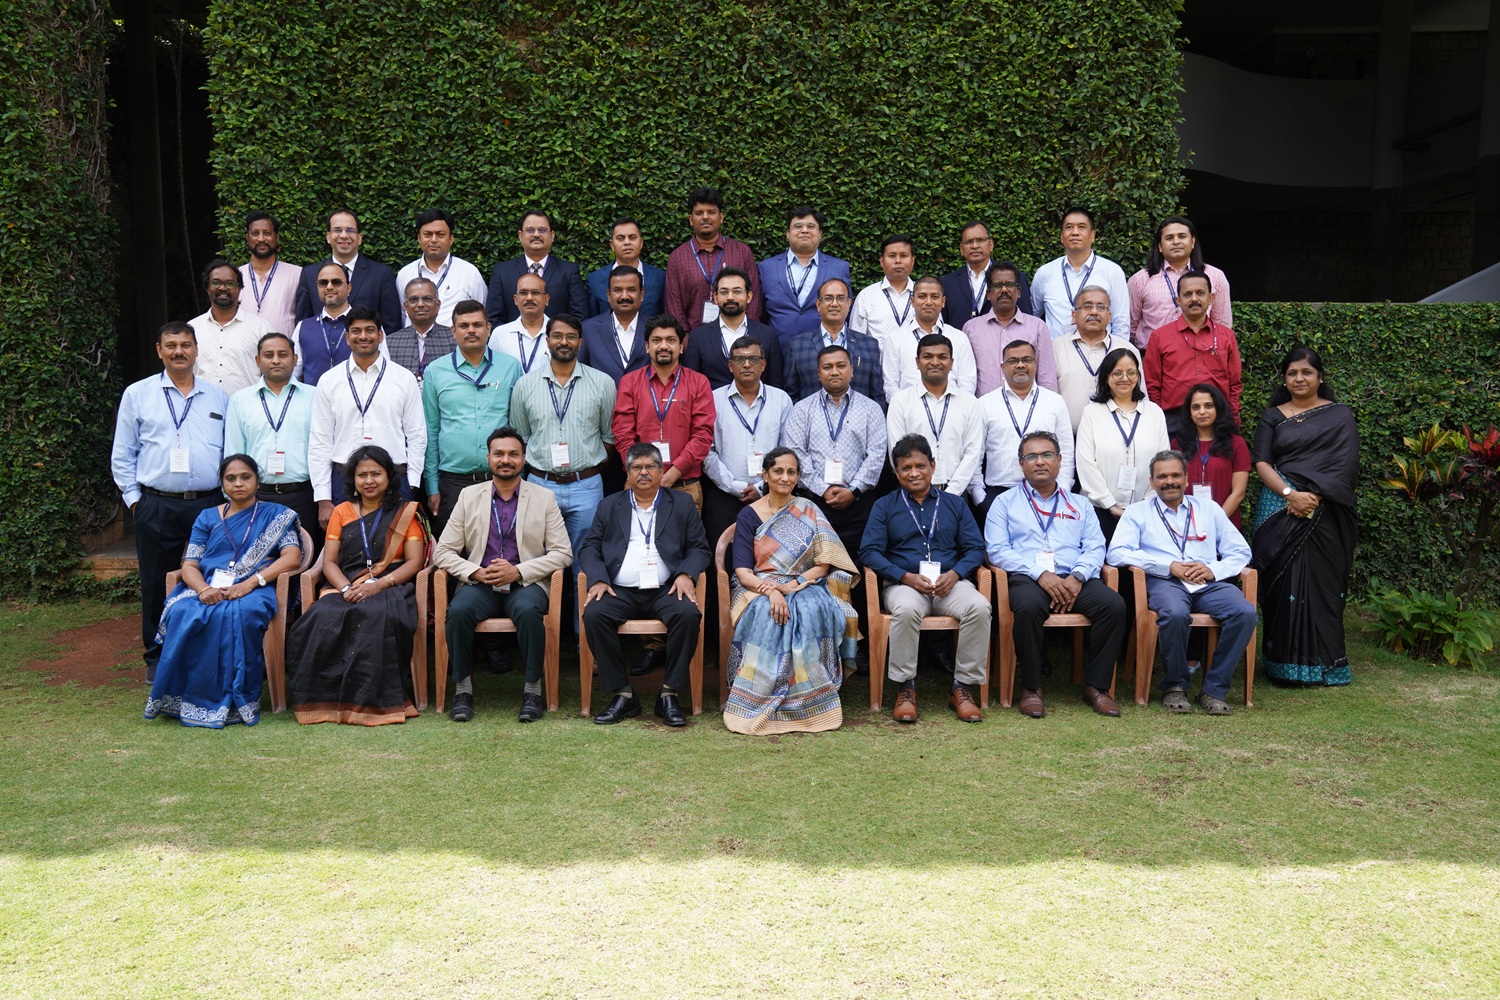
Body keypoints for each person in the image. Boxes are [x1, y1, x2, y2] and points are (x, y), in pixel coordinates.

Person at [144, 455, 303, 727]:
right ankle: (184, 698)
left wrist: (250, 583)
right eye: (231, 478)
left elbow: (292, 557)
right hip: (208, 586)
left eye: (245, 477)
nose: (238, 484)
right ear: (222, 484)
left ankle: (237, 699)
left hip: (256, 587)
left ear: (257, 480)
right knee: (183, 610)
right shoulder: (207, 517)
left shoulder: (276, 515)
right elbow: (190, 564)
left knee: (244, 612)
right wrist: (203, 589)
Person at [111, 322, 229, 677]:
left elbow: (229, 450)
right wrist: (136, 501)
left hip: (208, 504)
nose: (179, 351)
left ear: (196, 350)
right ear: (159, 350)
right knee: (155, 582)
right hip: (156, 504)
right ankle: (156, 657)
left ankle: (204, 650)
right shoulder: (138, 393)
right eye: (171, 345)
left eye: (186, 345)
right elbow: (123, 453)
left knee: (213, 576)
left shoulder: (218, 396)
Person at [434, 427, 574, 723]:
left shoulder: (544, 498)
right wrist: (475, 571)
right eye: (499, 454)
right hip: (480, 583)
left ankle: (533, 691)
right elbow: (443, 552)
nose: (505, 460)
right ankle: (462, 690)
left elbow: (563, 553)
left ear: (524, 458)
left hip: (526, 582)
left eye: (513, 454)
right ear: (488, 458)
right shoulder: (468, 496)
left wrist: (518, 571)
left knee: (527, 610)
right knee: (457, 611)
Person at [985, 431, 1125, 718]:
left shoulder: (1080, 504)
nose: (1040, 462)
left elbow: (1096, 547)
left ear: (1060, 461)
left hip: (1075, 577)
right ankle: (1032, 688)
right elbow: (996, 550)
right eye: (1031, 456)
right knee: (1027, 606)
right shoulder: (1004, 502)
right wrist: (1040, 574)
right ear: (1021, 464)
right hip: (1028, 577)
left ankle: (1096, 687)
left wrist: (1078, 577)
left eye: (1047, 455)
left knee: (1115, 606)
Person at [286, 446, 428, 725]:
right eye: (362, 474)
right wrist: (344, 589)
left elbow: (413, 563)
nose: (369, 480)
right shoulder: (341, 511)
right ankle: (324, 702)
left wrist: (380, 584)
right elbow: (329, 563)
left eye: (376, 473)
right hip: (346, 585)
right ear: (352, 479)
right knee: (320, 618)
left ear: (389, 476)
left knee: (376, 616)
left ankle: (374, 703)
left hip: (391, 586)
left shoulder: (405, 512)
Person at [723, 448, 860, 735]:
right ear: (765, 474)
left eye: (791, 472)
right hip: (757, 587)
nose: (785, 478)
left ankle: (810, 700)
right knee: (766, 614)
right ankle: (758, 695)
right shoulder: (749, 515)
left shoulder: (809, 509)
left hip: (805, 583)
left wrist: (792, 586)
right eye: (778, 471)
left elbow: (823, 565)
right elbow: (743, 572)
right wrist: (772, 591)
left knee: (810, 610)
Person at [1108, 450, 1256, 714]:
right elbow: (1117, 552)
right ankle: (1175, 685)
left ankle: (1213, 690)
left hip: (1207, 584)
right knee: (1175, 614)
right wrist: (1168, 566)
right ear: (1151, 482)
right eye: (1162, 476)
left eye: (1176, 475)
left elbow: (1241, 551)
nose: (1169, 481)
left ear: (1186, 479)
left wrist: (1212, 569)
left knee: (1244, 612)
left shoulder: (1209, 508)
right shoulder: (1137, 512)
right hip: (1165, 583)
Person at [578, 444, 712, 727]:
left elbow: (700, 548)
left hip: (666, 587)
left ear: (661, 471)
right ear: (626, 473)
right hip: (620, 588)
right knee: (594, 615)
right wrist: (599, 578)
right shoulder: (609, 504)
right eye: (636, 467)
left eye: (650, 467)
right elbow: (589, 547)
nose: (643, 473)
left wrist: (686, 574)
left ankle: (669, 694)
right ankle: (624, 694)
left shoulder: (682, 503)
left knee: (687, 615)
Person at [859, 435, 990, 723]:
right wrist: (904, 576)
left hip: (950, 585)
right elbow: (868, 552)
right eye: (906, 468)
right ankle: (906, 687)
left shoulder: (955, 504)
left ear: (933, 466)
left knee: (979, 607)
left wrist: (955, 574)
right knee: (905, 610)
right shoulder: (884, 506)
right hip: (904, 585)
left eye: (920, 465)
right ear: (896, 472)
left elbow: (976, 548)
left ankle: (962, 687)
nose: (914, 473)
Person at [1251, 347, 1360, 687]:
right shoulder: (1273, 416)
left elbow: (1346, 466)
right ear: (1284, 379)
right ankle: (1282, 666)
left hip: (1324, 510)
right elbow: (1261, 462)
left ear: (1319, 377)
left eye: (1306, 372)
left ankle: (1327, 665)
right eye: (1292, 373)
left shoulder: (1340, 416)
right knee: (1281, 585)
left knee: (1322, 586)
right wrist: (1290, 494)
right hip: (1279, 507)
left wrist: (1314, 496)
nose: (1299, 378)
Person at [509, 314, 616, 604]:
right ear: (547, 341)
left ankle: (584, 635)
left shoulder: (602, 383)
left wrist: (584, 465)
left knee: (587, 559)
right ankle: (544, 634)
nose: (564, 342)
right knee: (539, 561)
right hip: (540, 485)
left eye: (571, 336)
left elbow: (608, 437)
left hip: (587, 486)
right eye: (557, 336)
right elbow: (521, 437)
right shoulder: (525, 385)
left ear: (580, 342)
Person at [308, 306, 426, 524]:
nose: (363, 336)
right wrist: (323, 497)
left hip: (395, 480)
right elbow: (320, 441)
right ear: (347, 337)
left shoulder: (403, 378)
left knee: (396, 553)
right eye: (356, 331)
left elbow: (417, 435)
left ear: (380, 335)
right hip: (344, 482)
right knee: (348, 555)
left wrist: (412, 484)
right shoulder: (329, 380)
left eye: (370, 330)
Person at [421, 299, 523, 534]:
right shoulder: (436, 371)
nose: (471, 330)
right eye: (464, 325)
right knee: (453, 555)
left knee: (501, 550)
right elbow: (431, 429)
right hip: (452, 482)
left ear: (488, 329)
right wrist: (432, 486)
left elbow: (519, 428)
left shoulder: (510, 367)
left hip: (501, 478)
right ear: (453, 330)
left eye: (477, 325)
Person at [781, 344, 888, 561]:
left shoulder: (871, 409)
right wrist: (824, 490)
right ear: (818, 374)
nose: (835, 371)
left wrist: (853, 491)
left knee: (859, 565)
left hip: (859, 505)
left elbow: (876, 455)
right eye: (827, 367)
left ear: (852, 370)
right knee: (815, 565)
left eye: (841, 365)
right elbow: (796, 455)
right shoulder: (802, 409)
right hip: (814, 504)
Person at [225, 332, 321, 551]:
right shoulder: (241, 400)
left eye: (283, 354)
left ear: (295, 359)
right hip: (256, 498)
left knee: (303, 563)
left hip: (304, 496)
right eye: (269, 355)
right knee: (256, 563)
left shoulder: (315, 396)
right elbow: (233, 452)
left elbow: (323, 448)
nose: (276, 360)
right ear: (258, 361)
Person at [611, 315, 715, 511]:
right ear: (647, 346)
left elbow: (703, 435)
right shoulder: (630, 382)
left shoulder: (699, 382)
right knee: (637, 541)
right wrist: (645, 472)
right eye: (657, 340)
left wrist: (672, 474)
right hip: (639, 485)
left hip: (684, 485)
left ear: (681, 347)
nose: (664, 346)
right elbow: (623, 433)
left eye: (671, 340)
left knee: (682, 542)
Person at [702, 335, 794, 556]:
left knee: (771, 557)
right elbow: (707, 451)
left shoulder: (781, 400)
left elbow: (787, 449)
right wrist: (733, 486)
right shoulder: (713, 399)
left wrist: (763, 486)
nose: (746, 365)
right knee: (724, 556)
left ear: (763, 365)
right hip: (724, 495)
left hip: (772, 494)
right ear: (730, 365)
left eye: (753, 359)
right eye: (739, 359)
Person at [970, 340, 1074, 523]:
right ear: (1002, 367)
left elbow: (1065, 451)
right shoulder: (984, 404)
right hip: (999, 494)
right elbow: (975, 454)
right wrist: (980, 499)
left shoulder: (1055, 402)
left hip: (1046, 493)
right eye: (1013, 361)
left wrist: (1062, 492)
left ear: (1036, 363)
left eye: (1027, 359)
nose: (1020, 365)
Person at [1075, 347, 1170, 540]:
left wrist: (1147, 503)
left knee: (1142, 569)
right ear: (1106, 377)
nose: (1124, 378)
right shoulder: (1092, 413)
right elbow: (1086, 464)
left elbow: (1163, 462)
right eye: (1117, 373)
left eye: (1131, 372)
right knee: (1104, 568)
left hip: (1146, 512)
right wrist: (1110, 504)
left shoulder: (1154, 412)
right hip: (1099, 511)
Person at [886, 334, 983, 500]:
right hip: (911, 494)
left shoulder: (969, 402)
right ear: (917, 362)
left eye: (942, 357)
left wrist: (951, 493)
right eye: (928, 356)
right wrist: (921, 491)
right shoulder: (900, 401)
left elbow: (973, 452)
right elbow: (896, 452)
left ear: (952, 363)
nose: (935, 362)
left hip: (956, 494)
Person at [1143, 270, 1242, 416]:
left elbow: (1234, 383)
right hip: (1174, 418)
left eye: (1200, 293)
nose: (1194, 299)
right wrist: (1159, 417)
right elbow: (1151, 384)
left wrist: (1232, 416)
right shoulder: (1159, 337)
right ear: (1178, 300)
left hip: (1217, 417)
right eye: (1187, 294)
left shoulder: (1226, 336)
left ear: (1211, 298)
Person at [664, 186, 761, 331]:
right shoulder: (677, 258)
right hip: (693, 341)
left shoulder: (742, 252)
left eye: (711, 212)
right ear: (691, 219)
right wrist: (684, 338)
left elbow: (753, 300)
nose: (705, 217)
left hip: (738, 340)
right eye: (699, 213)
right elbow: (674, 306)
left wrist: (746, 335)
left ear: (721, 217)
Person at [1127, 215, 1233, 348]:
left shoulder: (1215, 276)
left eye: (1182, 236)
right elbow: (1130, 327)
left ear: (1192, 242)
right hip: (1152, 359)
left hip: (1201, 359)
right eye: (1169, 238)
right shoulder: (1140, 280)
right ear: (1160, 246)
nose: (1176, 242)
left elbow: (1222, 325)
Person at [293, 209, 402, 334]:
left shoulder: (381, 274)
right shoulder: (310, 274)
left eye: (350, 230)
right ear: (328, 237)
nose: (344, 235)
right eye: (337, 230)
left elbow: (391, 327)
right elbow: (303, 324)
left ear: (359, 238)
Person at [780, 277, 885, 407]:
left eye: (841, 298)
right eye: (828, 298)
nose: (834, 304)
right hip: (812, 424)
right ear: (818, 305)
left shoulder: (869, 345)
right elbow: (791, 395)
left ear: (849, 304)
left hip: (859, 424)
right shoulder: (798, 345)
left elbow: (877, 395)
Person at [757, 206, 851, 348]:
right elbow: (760, 312)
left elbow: (845, 311)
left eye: (811, 226)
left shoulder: (838, 268)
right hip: (777, 349)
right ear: (787, 233)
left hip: (824, 351)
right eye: (798, 226)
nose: (805, 230)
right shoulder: (766, 268)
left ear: (820, 234)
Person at [1030, 207, 1130, 342]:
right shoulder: (1045, 273)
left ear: (1093, 235)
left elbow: (1121, 323)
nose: (1075, 232)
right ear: (1061, 236)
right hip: (1056, 356)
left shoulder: (1112, 272)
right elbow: (1032, 319)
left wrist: (1116, 358)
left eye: (1082, 227)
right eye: (1069, 227)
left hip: (1101, 356)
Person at [1052, 285, 1143, 431]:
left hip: (1117, 435)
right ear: (1074, 315)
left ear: (1109, 315)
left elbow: (1139, 397)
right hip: (1067, 437)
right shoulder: (1055, 348)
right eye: (1087, 306)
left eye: (1101, 307)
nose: (1094, 312)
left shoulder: (1127, 349)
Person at [964, 261, 1055, 397]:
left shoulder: (1037, 327)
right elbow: (966, 377)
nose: (1004, 290)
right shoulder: (971, 329)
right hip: (983, 411)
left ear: (1018, 292)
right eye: (997, 285)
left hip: (1028, 410)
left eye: (1010, 285)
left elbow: (1046, 377)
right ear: (988, 294)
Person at [684, 266, 784, 389]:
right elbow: (691, 383)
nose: (730, 297)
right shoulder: (698, 337)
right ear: (715, 297)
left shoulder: (768, 335)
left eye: (737, 291)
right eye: (724, 292)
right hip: (713, 406)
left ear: (749, 296)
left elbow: (775, 382)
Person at [484, 208, 587, 325]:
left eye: (542, 230)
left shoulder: (569, 271)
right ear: (520, 235)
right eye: (530, 230)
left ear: (552, 236)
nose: (536, 234)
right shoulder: (502, 272)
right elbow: (494, 318)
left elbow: (579, 317)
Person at [1170, 382, 1250, 528]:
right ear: (1189, 413)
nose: (1201, 412)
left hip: (1225, 525)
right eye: (1196, 407)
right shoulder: (1178, 445)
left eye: (1208, 406)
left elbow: (1238, 492)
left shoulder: (1237, 444)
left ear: (1218, 408)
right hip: (1186, 525)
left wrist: (1215, 522)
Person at [190, 258, 271, 396]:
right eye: (216, 282)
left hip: (247, 411)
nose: (222, 288)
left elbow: (272, 373)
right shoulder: (192, 329)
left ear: (239, 288)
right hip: (202, 410)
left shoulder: (261, 328)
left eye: (230, 283)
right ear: (207, 288)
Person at [887, 275, 978, 398]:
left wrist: (956, 408)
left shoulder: (959, 338)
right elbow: (890, 385)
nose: (928, 302)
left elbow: (967, 383)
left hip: (953, 412)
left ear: (943, 301)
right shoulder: (895, 339)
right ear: (912, 301)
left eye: (934, 297)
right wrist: (906, 408)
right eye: (922, 296)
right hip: (909, 413)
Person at [394, 208, 487, 327]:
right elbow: (402, 315)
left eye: (440, 234)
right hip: (414, 343)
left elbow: (481, 312)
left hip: (456, 344)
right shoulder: (405, 274)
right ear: (419, 238)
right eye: (427, 234)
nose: (433, 240)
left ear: (451, 239)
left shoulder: (469, 272)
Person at [940, 221, 1035, 328]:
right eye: (969, 242)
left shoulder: (1015, 278)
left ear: (991, 245)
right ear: (961, 249)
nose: (975, 246)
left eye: (980, 240)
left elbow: (1026, 320)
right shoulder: (947, 283)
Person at [850, 236, 917, 382]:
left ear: (912, 260)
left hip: (918, 377)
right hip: (877, 377)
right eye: (892, 256)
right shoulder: (867, 296)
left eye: (904, 256)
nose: (898, 261)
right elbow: (856, 342)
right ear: (882, 261)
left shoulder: (925, 295)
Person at [579, 264, 650, 384]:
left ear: (641, 294)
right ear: (608, 295)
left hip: (646, 401)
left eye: (631, 290)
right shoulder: (587, 329)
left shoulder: (655, 328)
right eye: (618, 290)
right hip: (601, 402)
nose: (624, 296)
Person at [584, 216, 664, 320]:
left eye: (632, 237)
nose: (627, 242)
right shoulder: (594, 280)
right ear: (612, 245)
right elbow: (591, 324)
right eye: (620, 238)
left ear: (641, 243)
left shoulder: (660, 277)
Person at [238, 211, 301, 338]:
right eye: (255, 233)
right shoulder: (236, 275)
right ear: (247, 238)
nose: (261, 239)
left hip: (283, 354)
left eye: (267, 233)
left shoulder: (297, 274)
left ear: (276, 237)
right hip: (244, 354)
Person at [292, 261, 354, 387]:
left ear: (348, 288)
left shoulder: (368, 326)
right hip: (312, 404)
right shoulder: (303, 327)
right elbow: (292, 374)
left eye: (336, 282)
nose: (329, 287)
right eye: (323, 283)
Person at [386, 277, 455, 387]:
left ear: (438, 304)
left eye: (427, 299)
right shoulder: (390, 343)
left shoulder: (454, 339)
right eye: (414, 300)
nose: (420, 304)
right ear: (405, 306)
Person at [489, 271, 552, 376]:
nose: (529, 298)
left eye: (535, 292)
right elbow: (491, 372)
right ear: (515, 299)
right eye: (523, 293)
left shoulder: (558, 333)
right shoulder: (500, 334)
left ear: (546, 299)